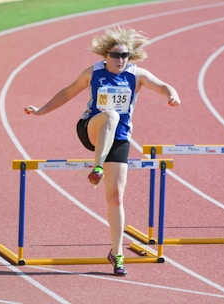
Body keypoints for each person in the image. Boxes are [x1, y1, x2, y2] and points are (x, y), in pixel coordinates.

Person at [24, 26, 180, 276]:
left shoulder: (136, 75)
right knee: (109, 114)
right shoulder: (93, 73)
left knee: (115, 197)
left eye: (125, 55)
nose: (121, 60)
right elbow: (67, 92)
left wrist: (172, 95)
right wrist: (41, 110)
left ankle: (116, 253)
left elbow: (162, 85)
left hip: (119, 140)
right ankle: (97, 166)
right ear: (105, 56)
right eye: (116, 55)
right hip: (91, 130)